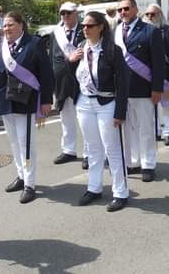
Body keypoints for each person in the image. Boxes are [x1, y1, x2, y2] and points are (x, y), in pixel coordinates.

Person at [0, 11, 54, 203]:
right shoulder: (0, 44)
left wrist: (47, 100)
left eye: (11, 25)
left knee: (26, 143)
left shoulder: (35, 43)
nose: (7, 29)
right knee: (14, 142)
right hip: (4, 100)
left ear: (21, 25)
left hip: (26, 100)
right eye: (5, 25)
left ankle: (30, 183)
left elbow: (46, 74)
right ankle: (21, 175)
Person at [69, 11, 130, 212]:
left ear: (101, 27)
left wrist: (120, 112)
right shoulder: (81, 49)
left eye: (89, 26)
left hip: (107, 103)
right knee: (93, 148)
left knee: (112, 148)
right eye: (83, 26)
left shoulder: (113, 50)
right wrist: (71, 62)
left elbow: (122, 82)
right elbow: (74, 77)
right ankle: (94, 188)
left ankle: (120, 192)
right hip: (84, 103)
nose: (85, 29)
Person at [115, 0, 164, 182]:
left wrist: (157, 88)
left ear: (135, 9)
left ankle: (148, 164)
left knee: (146, 128)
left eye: (126, 9)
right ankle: (132, 161)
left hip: (143, 88)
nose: (123, 13)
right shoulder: (116, 31)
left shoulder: (150, 31)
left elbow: (159, 63)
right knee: (128, 128)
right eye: (120, 10)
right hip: (122, 90)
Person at [50, 1, 87, 166]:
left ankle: (89, 153)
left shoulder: (85, 29)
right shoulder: (55, 33)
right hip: (62, 80)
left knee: (85, 119)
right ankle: (69, 150)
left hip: (83, 81)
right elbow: (53, 58)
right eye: (62, 14)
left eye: (68, 13)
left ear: (76, 13)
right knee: (66, 118)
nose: (65, 16)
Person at [143, 4, 169, 145]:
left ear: (160, 15)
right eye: (147, 14)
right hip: (147, 73)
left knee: (166, 104)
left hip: (164, 73)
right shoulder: (143, 32)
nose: (150, 17)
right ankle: (156, 130)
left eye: (153, 14)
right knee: (151, 104)